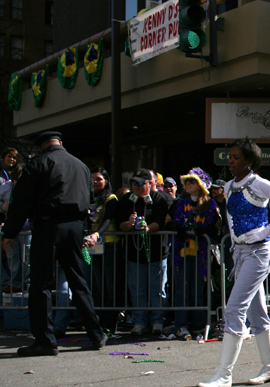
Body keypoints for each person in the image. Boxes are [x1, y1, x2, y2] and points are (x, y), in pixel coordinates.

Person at [198, 138, 270, 387]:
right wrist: (235, 244)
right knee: (257, 313)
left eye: (235, 157)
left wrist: (268, 229)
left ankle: (223, 375)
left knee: (234, 309)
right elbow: (232, 220)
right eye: (229, 157)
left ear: (249, 161)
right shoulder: (232, 185)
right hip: (242, 254)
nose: (230, 161)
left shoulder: (258, 183)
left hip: (259, 254)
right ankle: (269, 367)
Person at [3, 131, 107, 356]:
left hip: (49, 226)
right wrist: (86, 230)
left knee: (40, 284)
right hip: (75, 227)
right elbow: (88, 201)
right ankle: (97, 333)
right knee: (78, 281)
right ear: (60, 143)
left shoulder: (38, 164)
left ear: (41, 146)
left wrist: (10, 232)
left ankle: (45, 340)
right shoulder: (81, 166)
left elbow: (21, 200)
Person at [114, 168, 170, 336]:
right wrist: (128, 224)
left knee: (157, 288)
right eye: (134, 183)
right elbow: (120, 225)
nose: (136, 187)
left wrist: (148, 228)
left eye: (140, 183)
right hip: (134, 253)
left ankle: (157, 321)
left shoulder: (159, 199)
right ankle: (139, 322)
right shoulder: (126, 200)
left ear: (149, 183)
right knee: (137, 289)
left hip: (156, 253)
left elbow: (160, 223)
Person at [169, 168, 221, 340]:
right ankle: (181, 325)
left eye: (192, 181)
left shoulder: (210, 204)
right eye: (186, 182)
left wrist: (204, 230)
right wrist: (179, 228)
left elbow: (215, 229)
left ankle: (199, 324)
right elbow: (170, 222)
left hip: (201, 252)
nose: (188, 184)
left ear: (200, 185)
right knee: (181, 289)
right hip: (182, 252)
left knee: (198, 289)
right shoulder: (178, 203)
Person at [84, 167, 121, 336]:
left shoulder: (111, 198)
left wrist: (97, 233)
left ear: (106, 181)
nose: (95, 182)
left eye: (99, 179)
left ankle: (110, 323)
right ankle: (97, 322)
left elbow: (106, 220)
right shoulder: (88, 198)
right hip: (93, 246)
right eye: (92, 179)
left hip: (109, 245)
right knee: (96, 285)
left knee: (110, 285)